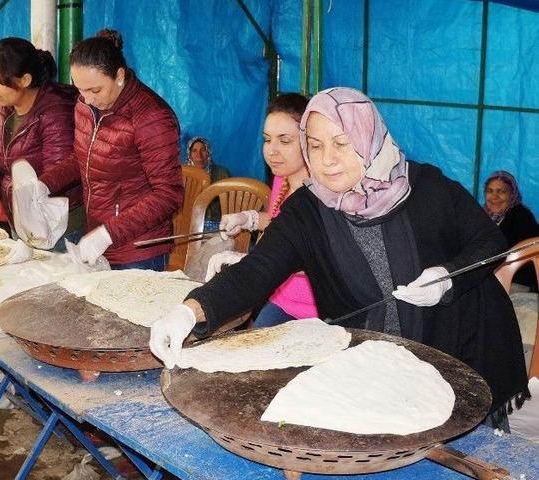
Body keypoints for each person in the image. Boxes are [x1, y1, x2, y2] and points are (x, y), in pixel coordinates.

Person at [150, 87, 528, 429]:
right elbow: (257, 269)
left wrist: (446, 276)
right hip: (379, 362)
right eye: (314, 146)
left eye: (341, 143)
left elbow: (490, 241)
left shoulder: (427, 187)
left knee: (463, 449)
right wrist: (190, 311)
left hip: (465, 346)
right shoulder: (308, 210)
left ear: (367, 137)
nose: (327, 160)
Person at [38, 29, 184, 270]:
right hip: (95, 238)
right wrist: (44, 184)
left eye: (95, 90)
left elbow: (168, 194)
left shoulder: (151, 117)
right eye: (79, 89)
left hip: (138, 250)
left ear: (119, 75)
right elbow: (83, 158)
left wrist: (109, 233)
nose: (87, 98)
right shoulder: (85, 105)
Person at [206, 94, 318, 327]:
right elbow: (284, 225)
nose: (272, 151)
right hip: (280, 297)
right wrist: (250, 219)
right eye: (267, 140)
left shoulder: (323, 193)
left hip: (318, 310)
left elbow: (319, 259)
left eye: (284, 141)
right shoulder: (282, 178)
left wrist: (251, 261)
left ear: (310, 141)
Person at [0, 37, 81, 257]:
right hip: (22, 222)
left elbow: (57, 175)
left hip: (57, 227)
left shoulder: (55, 112)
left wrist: (31, 234)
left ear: (25, 79)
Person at [484, 170, 539, 291]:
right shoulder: (484, 217)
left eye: (501, 191)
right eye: (490, 191)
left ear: (512, 194)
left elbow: (519, 256)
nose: (494, 197)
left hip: (519, 281)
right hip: (493, 276)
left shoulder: (521, 217)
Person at [186, 136, 230, 230]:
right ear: (189, 155)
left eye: (203, 150)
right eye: (194, 151)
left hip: (218, 226)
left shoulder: (222, 174)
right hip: (189, 226)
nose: (199, 155)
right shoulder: (184, 176)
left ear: (208, 152)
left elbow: (231, 203)